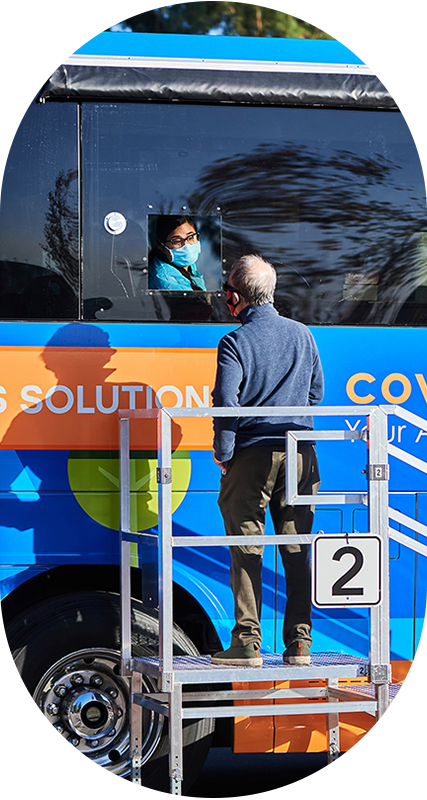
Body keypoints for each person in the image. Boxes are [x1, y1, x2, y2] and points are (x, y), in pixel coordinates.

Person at [211, 254, 324, 667]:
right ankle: (299, 643)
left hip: (253, 453)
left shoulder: (235, 343)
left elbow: (227, 403)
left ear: (235, 297)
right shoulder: (303, 335)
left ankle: (246, 642)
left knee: (246, 544)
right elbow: (316, 394)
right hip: (300, 453)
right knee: (296, 546)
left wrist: (224, 453)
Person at [148, 215, 206, 291]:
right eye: (176, 241)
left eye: (190, 237)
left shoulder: (187, 265)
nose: (186, 245)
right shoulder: (166, 279)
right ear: (161, 247)